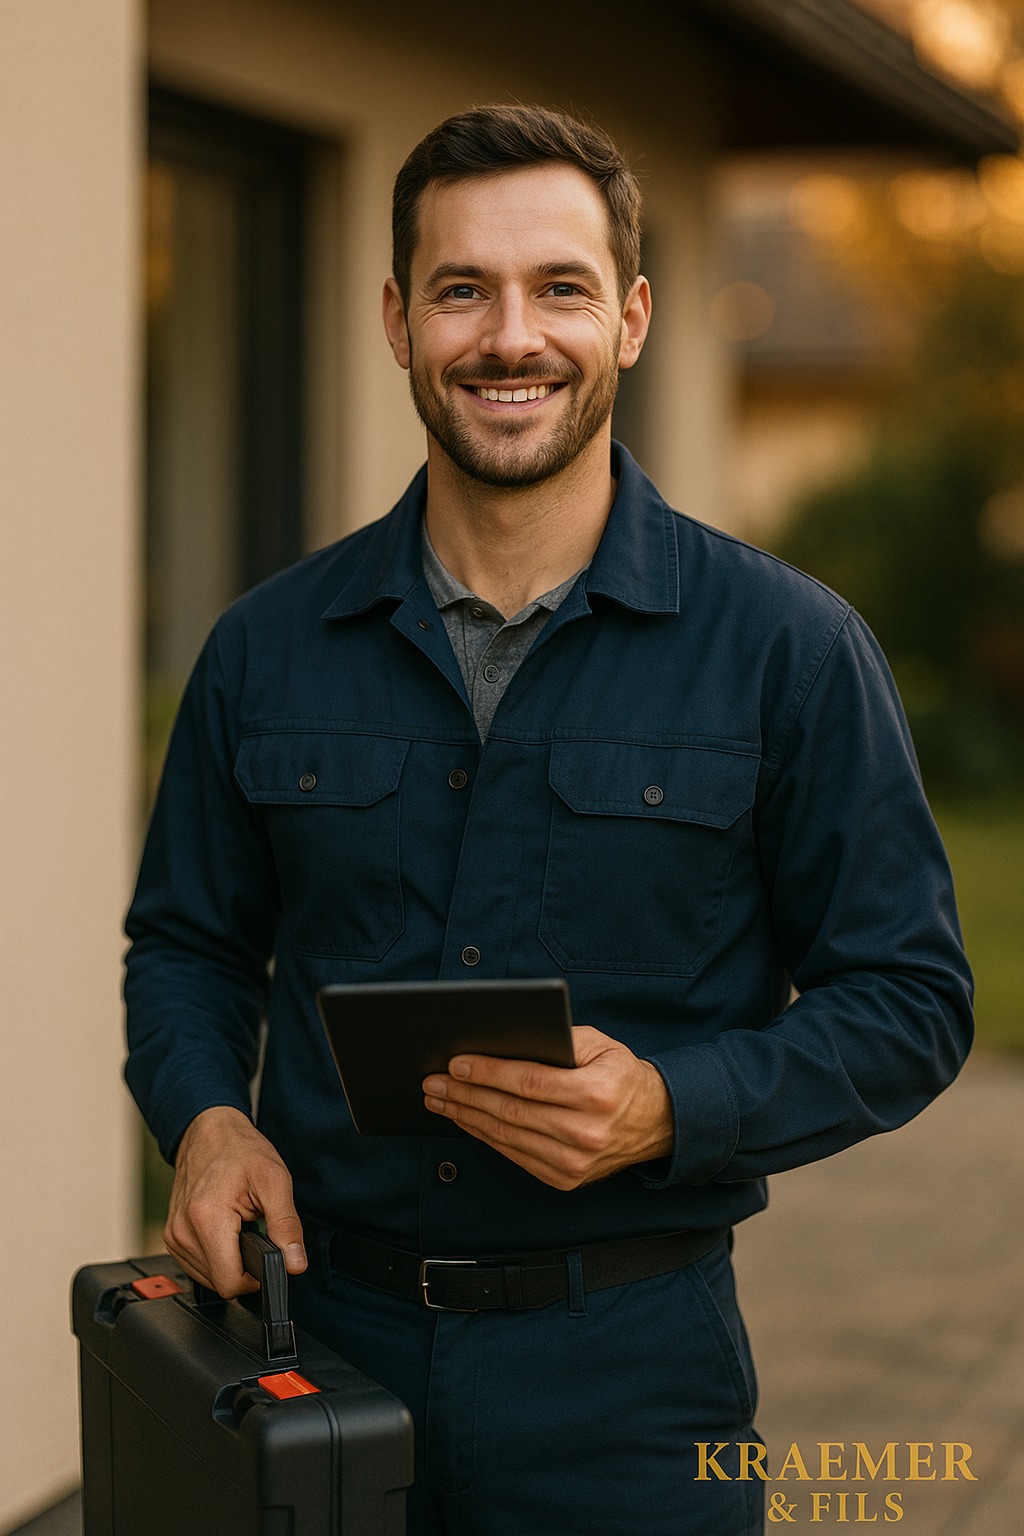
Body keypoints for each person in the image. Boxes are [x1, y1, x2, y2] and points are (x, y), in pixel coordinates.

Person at [124, 105, 973, 1536]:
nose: (510, 337)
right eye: (463, 289)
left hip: (634, 1390)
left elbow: (912, 999)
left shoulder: (791, 651)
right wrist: (206, 1122)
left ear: (631, 318)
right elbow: (188, 945)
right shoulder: (262, 651)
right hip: (315, 1351)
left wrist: (669, 1106)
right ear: (398, 320)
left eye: (560, 288)